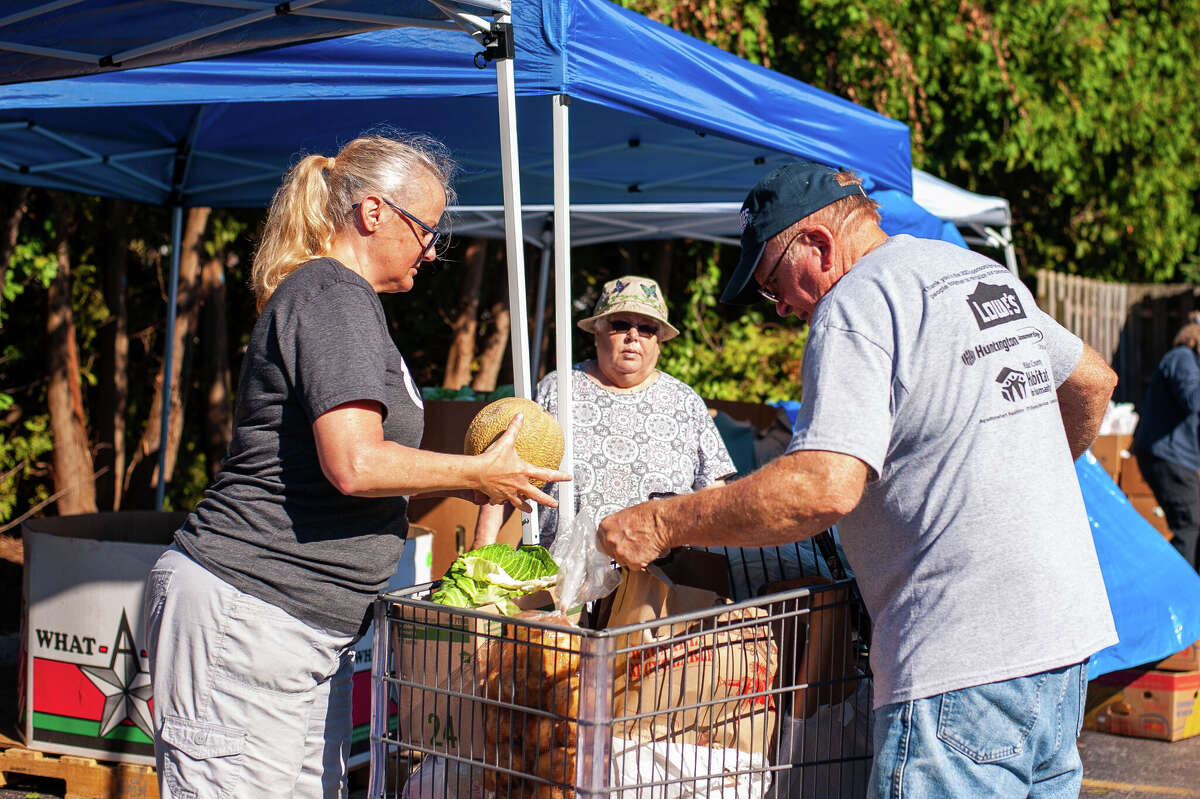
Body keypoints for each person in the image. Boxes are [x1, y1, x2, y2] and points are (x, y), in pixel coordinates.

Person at [598, 159, 1119, 798]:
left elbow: (823, 486)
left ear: (816, 245)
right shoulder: (972, 272)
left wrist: (659, 520)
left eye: (773, 284)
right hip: (1063, 640)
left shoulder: (856, 303)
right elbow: (1093, 378)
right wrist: (1009, 480)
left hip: (957, 656)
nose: (782, 307)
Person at [142, 133, 569, 799]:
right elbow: (355, 462)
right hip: (249, 614)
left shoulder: (349, 303)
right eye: (426, 228)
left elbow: (372, 473)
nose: (432, 250)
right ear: (373, 213)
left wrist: (489, 489)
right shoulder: (331, 294)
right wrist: (476, 472)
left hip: (297, 626)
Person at [474, 275, 735, 549]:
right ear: (596, 333)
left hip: (657, 580)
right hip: (556, 576)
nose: (633, 335)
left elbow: (712, 496)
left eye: (647, 328)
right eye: (620, 324)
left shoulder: (686, 401)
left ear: (659, 342)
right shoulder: (557, 388)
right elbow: (506, 473)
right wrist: (480, 554)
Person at [1132, 318, 1200, 571]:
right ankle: (1175, 589)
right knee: (1189, 525)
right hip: (1169, 456)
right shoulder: (1182, 358)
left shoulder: (1184, 361)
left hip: (1172, 455)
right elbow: (1193, 399)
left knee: (1193, 525)